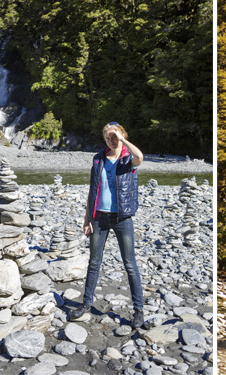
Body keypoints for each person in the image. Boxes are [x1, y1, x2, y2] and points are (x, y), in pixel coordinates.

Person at [78, 122, 146, 326]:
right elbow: (93, 190)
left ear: (122, 135)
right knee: (94, 263)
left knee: (130, 265)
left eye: (114, 136)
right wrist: (87, 217)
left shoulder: (127, 158)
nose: (111, 140)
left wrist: (122, 139)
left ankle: (138, 310)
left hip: (122, 218)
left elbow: (140, 158)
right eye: (108, 137)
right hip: (99, 217)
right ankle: (86, 303)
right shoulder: (98, 158)